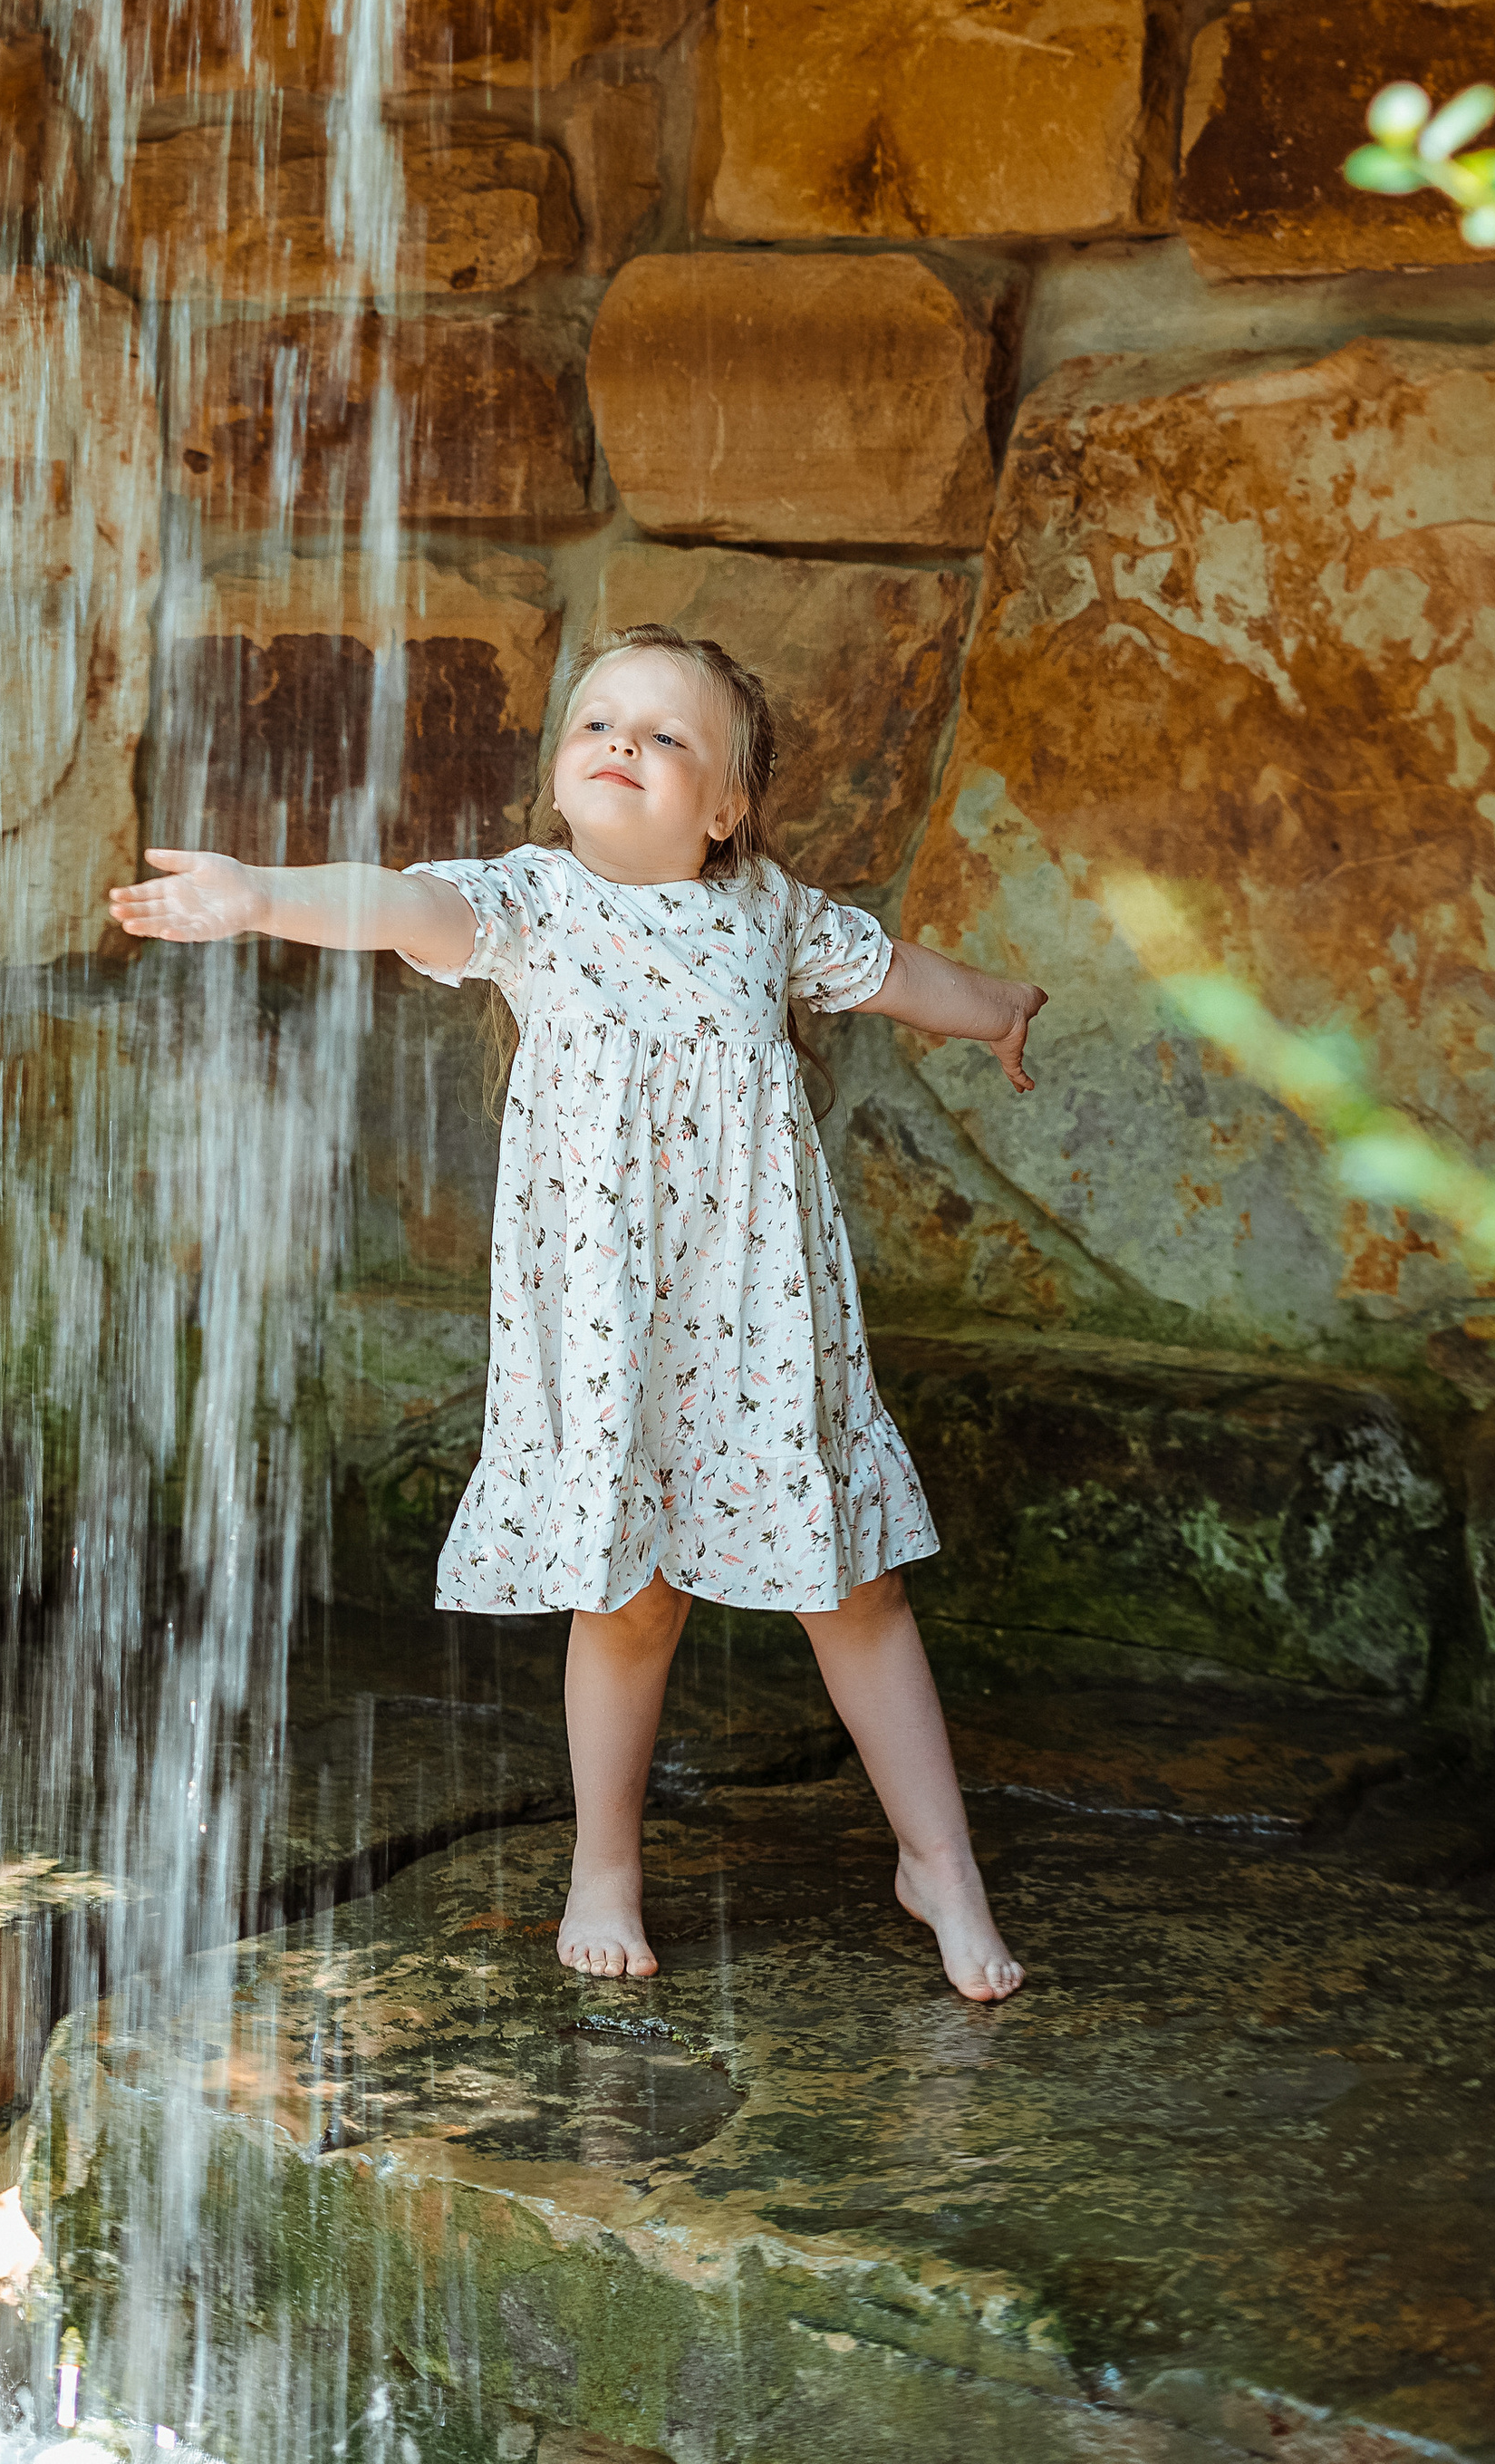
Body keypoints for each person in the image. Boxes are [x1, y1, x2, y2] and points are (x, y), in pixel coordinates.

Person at [108, 625, 1045, 2002]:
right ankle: (605, 1863)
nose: (623, 746)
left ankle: (939, 1865)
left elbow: (902, 976)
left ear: (725, 811)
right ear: (559, 772)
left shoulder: (769, 913)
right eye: (600, 723)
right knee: (628, 1600)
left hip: (763, 1330)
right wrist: (257, 896)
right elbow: (391, 904)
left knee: (854, 1587)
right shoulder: (531, 904)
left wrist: (1005, 1008)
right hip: (608, 1338)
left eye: (668, 738)